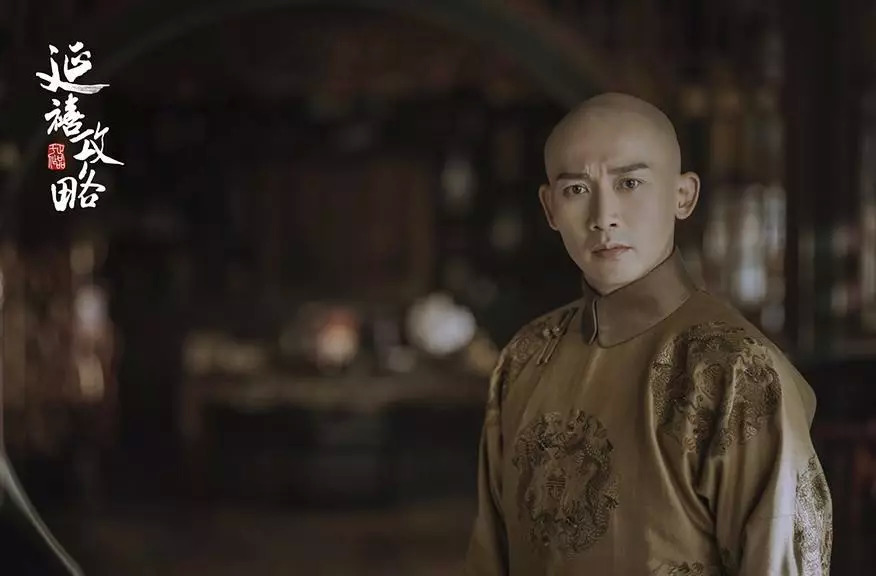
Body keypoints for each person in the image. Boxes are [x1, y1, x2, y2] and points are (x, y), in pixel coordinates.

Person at [464, 93, 833, 575]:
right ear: (550, 207)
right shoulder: (525, 356)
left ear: (683, 196)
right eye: (576, 189)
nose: (603, 216)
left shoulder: (737, 370)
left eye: (630, 183)